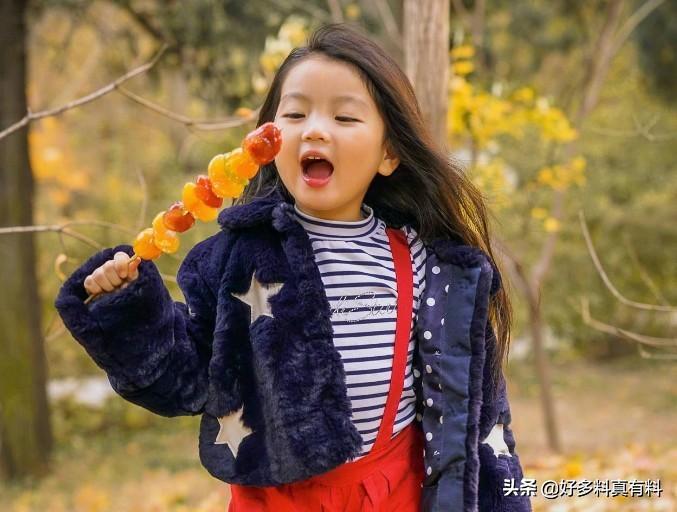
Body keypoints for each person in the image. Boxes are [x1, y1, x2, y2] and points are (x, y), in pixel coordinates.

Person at [55, 23, 531, 512]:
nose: (315, 129)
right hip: (277, 500)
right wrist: (127, 308)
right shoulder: (233, 260)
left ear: (389, 154)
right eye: (296, 113)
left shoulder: (435, 269)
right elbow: (188, 380)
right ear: (267, 139)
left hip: (393, 493)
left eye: (345, 117)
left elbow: (478, 418)